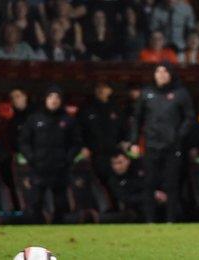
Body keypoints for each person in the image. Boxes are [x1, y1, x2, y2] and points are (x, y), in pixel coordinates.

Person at [129, 62, 194, 222]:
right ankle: (149, 220)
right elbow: (137, 119)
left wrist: (178, 136)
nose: (161, 74)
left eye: (165, 71)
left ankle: (171, 219)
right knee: (149, 183)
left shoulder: (180, 93)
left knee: (171, 184)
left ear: (170, 74)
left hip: (172, 146)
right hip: (151, 145)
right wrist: (134, 142)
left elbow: (189, 118)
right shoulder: (146, 93)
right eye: (158, 71)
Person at [19, 85, 83, 223]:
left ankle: (59, 227)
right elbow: (24, 142)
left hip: (60, 167)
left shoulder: (68, 120)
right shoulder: (34, 119)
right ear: (45, 99)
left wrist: (68, 158)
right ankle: (36, 227)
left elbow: (77, 143)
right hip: (39, 166)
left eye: (57, 98)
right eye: (51, 97)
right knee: (36, 201)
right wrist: (31, 157)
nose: (54, 100)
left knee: (61, 201)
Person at [77, 82, 125, 185]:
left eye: (104, 87)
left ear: (110, 90)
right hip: (94, 154)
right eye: (99, 88)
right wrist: (83, 146)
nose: (101, 90)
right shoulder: (87, 109)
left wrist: (124, 143)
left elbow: (124, 129)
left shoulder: (116, 108)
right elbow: (79, 131)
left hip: (114, 154)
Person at [107, 152, 146, 222]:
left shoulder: (137, 172)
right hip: (130, 210)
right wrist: (148, 197)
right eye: (114, 163)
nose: (117, 167)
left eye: (120, 162)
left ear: (128, 161)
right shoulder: (113, 180)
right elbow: (125, 198)